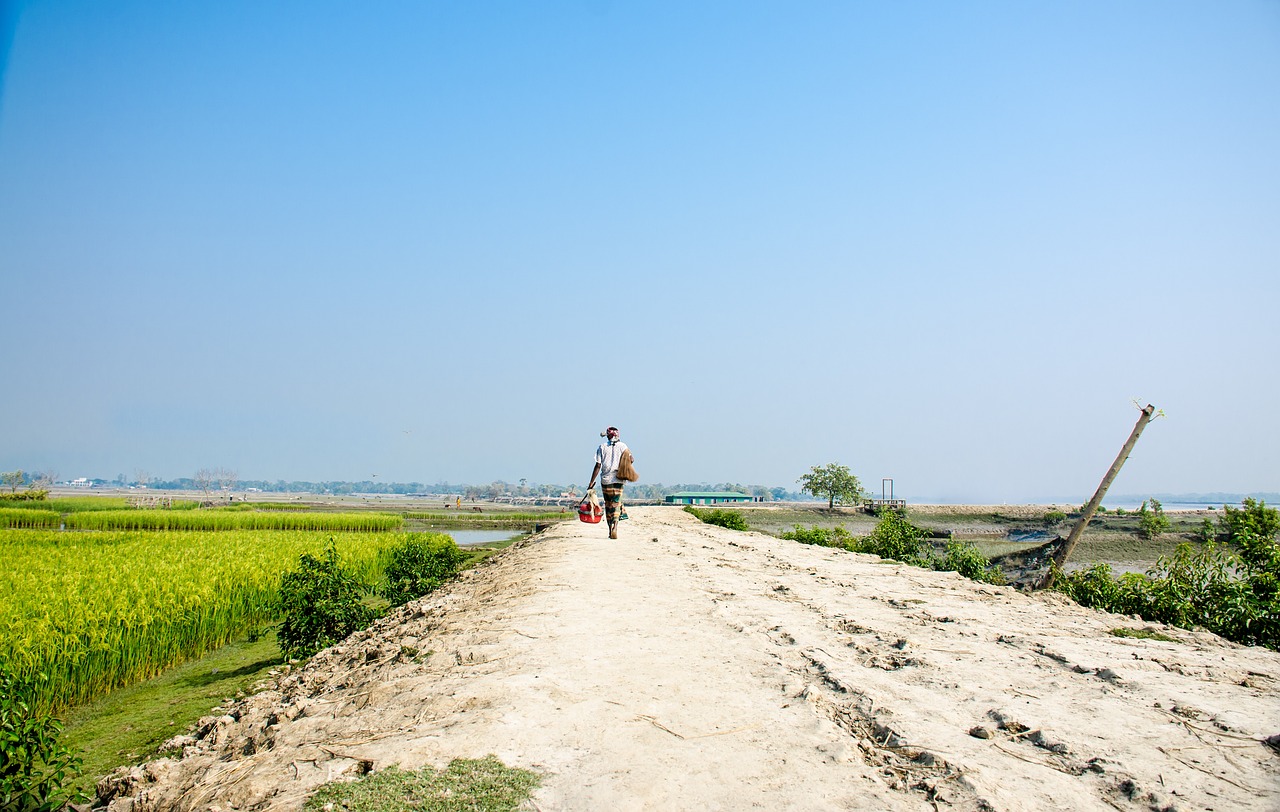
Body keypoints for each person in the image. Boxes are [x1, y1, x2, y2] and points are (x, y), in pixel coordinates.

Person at [587, 426, 630, 539]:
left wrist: (591, 482)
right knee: (616, 503)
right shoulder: (623, 446)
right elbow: (631, 459)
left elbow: (598, 465)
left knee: (608, 504)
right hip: (618, 479)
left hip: (606, 480)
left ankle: (610, 529)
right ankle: (615, 526)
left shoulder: (602, 447)